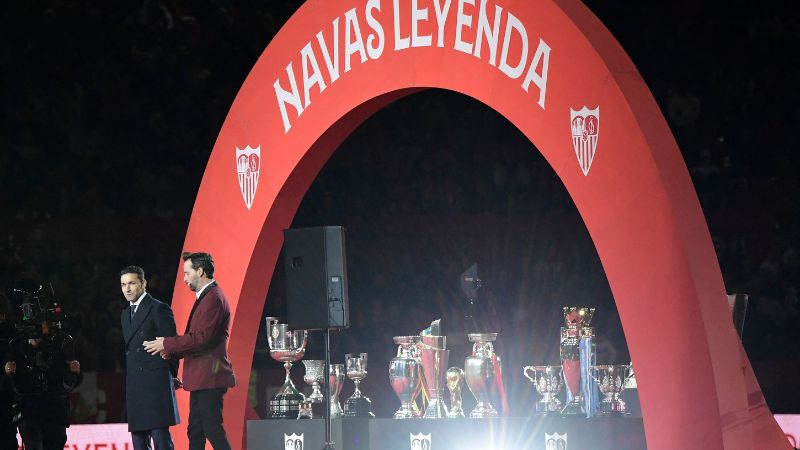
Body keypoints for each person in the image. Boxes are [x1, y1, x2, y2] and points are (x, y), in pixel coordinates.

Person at [144, 252, 236, 450]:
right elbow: (198, 340)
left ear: (200, 271)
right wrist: (171, 351)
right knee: (196, 432)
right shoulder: (208, 297)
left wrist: (167, 344)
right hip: (202, 378)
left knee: (212, 430)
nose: (184, 278)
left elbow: (201, 339)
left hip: (209, 377)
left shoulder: (213, 298)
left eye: (187, 273)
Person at [120, 265, 180, 450]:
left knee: (160, 439)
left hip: (155, 385)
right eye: (123, 284)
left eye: (132, 283)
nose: (127, 289)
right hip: (135, 386)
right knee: (138, 441)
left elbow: (173, 345)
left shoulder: (159, 308)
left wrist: (170, 376)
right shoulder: (124, 314)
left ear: (143, 283)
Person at [4, 320, 82, 450]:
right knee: (34, 444)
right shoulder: (17, 348)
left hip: (55, 410)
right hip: (28, 409)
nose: (38, 329)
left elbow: (72, 382)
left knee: (55, 443)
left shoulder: (60, 346)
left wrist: (75, 372)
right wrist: (8, 373)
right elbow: (12, 385)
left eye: (43, 324)